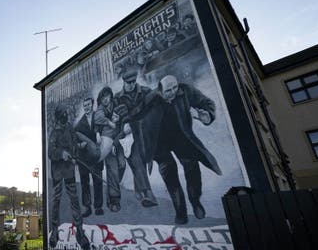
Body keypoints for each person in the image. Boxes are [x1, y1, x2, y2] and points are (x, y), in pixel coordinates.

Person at [146, 75, 222, 224]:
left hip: (181, 137)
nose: (173, 92)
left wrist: (207, 115)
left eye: (175, 87)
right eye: (169, 90)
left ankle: (195, 201)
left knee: (192, 167)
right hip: (159, 144)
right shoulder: (150, 100)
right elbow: (134, 115)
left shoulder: (185, 90)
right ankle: (180, 211)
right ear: (160, 90)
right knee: (169, 174)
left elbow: (207, 102)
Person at [48, 104, 91, 250]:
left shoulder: (70, 130)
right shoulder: (54, 133)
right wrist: (62, 154)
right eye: (64, 114)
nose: (66, 116)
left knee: (74, 200)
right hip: (58, 173)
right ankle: (54, 231)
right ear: (59, 116)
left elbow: (73, 146)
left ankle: (80, 231)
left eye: (67, 113)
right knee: (56, 201)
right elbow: (50, 152)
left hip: (69, 172)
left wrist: (79, 146)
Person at [115, 66, 158, 208]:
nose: (132, 85)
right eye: (129, 82)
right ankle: (148, 193)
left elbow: (155, 101)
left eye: (133, 81)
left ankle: (138, 190)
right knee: (136, 160)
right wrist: (122, 126)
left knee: (141, 161)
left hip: (144, 132)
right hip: (127, 137)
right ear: (123, 81)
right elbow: (113, 120)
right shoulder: (117, 98)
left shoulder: (144, 91)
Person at [94, 87, 126, 212]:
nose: (105, 99)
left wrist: (119, 121)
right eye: (103, 97)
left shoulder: (117, 103)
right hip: (107, 141)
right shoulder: (100, 109)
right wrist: (107, 123)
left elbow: (125, 117)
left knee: (122, 165)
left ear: (111, 96)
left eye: (107, 96)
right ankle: (114, 200)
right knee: (112, 169)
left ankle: (114, 186)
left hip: (119, 140)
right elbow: (97, 119)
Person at [74, 97, 104, 216]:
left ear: (92, 105)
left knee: (98, 181)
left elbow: (104, 129)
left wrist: (99, 135)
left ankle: (98, 207)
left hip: (96, 157)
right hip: (84, 159)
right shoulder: (79, 124)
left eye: (88, 105)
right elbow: (74, 141)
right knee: (85, 183)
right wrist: (81, 145)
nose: (86, 107)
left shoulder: (98, 117)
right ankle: (87, 207)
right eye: (85, 105)